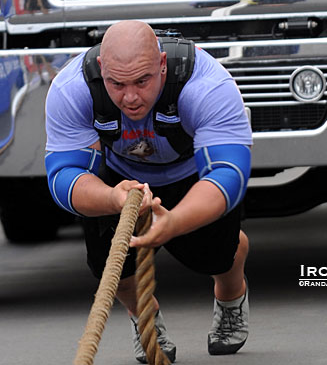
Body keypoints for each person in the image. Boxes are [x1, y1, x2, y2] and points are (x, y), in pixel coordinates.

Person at [44, 20, 252, 363]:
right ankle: (144, 315)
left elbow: (228, 174)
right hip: (121, 179)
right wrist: (112, 198)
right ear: (101, 70)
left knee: (217, 256)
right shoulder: (72, 89)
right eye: (116, 83)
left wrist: (175, 222)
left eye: (142, 81)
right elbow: (63, 175)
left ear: (162, 65)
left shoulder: (207, 85)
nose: (130, 97)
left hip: (191, 175)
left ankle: (231, 295)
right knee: (113, 268)